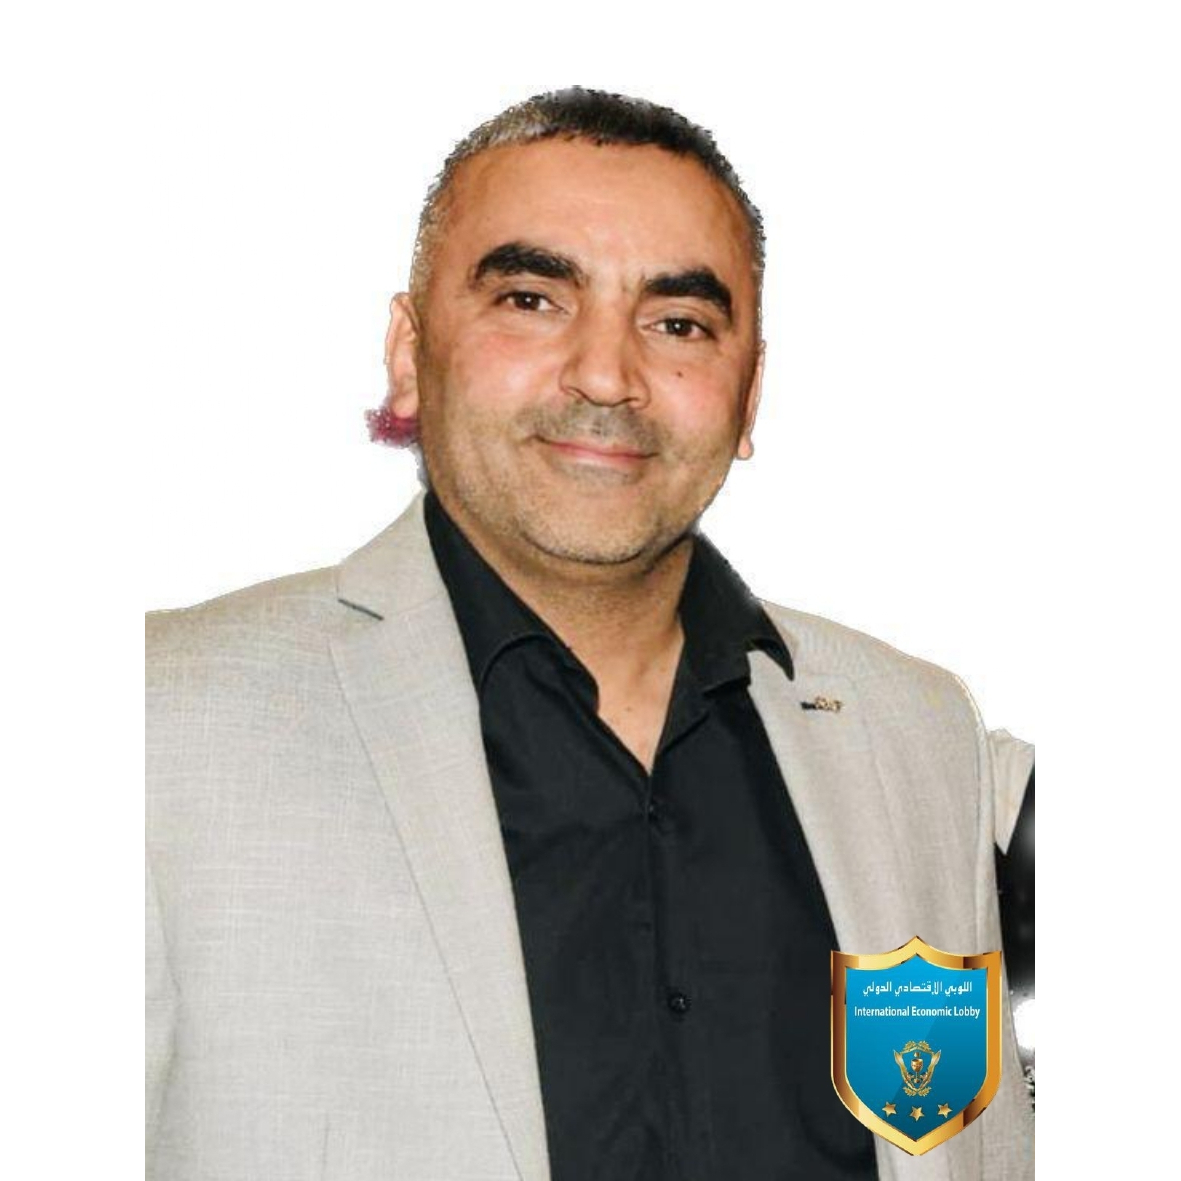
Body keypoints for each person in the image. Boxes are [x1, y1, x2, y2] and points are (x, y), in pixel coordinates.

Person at [146, 87, 1034, 1181]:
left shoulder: (918, 733)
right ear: (409, 354)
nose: (607, 376)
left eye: (678, 324)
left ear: (748, 391)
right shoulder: (153, 727)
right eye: (531, 298)